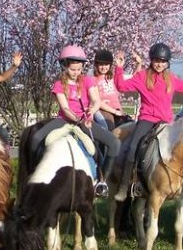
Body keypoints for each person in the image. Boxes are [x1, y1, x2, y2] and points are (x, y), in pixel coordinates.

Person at [113, 43, 183, 202]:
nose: (159, 64)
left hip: (167, 121)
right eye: (157, 60)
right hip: (147, 120)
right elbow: (121, 86)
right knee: (132, 147)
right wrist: (119, 68)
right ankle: (125, 186)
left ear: (167, 63)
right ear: (151, 60)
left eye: (163, 61)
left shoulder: (171, 78)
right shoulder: (142, 77)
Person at [28, 45, 120, 198]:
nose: (76, 73)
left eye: (79, 69)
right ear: (64, 66)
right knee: (36, 138)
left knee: (114, 143)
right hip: (65, 120)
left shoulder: (88, 81)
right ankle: (35, 175)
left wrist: (91, 111)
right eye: (72, 69)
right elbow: (65, 108)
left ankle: (102, 181)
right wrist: (78, 119)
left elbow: (96, 100)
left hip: (85, 121)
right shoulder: (59, 85)